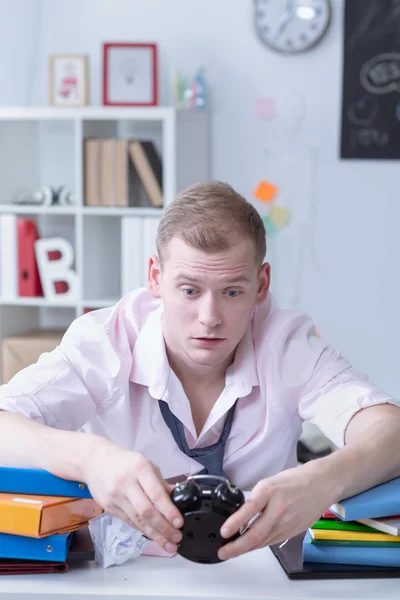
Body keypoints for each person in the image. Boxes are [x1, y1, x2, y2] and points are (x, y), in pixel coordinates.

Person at [0, 181, 399, 562]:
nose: (209, 319)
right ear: (156, 278)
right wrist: (90, 458)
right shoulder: (103, 342)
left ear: (261, 286)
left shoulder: (289, 345)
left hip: (263, 577)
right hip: (125, 573)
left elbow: (391, 433)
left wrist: (324, 479)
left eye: (232, 292)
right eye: (190, 290)